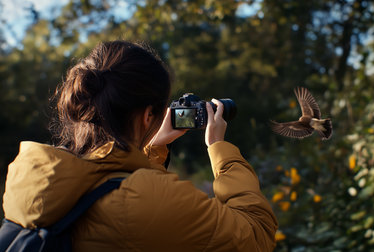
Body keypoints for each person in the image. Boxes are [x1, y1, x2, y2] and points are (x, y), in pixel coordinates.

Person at [2, 41, 278, 251]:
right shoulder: (150, 197)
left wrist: (153, 148)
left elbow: (109, 186)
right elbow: (256, 236)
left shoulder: (33, 176)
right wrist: (219, 147)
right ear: (148, 116)